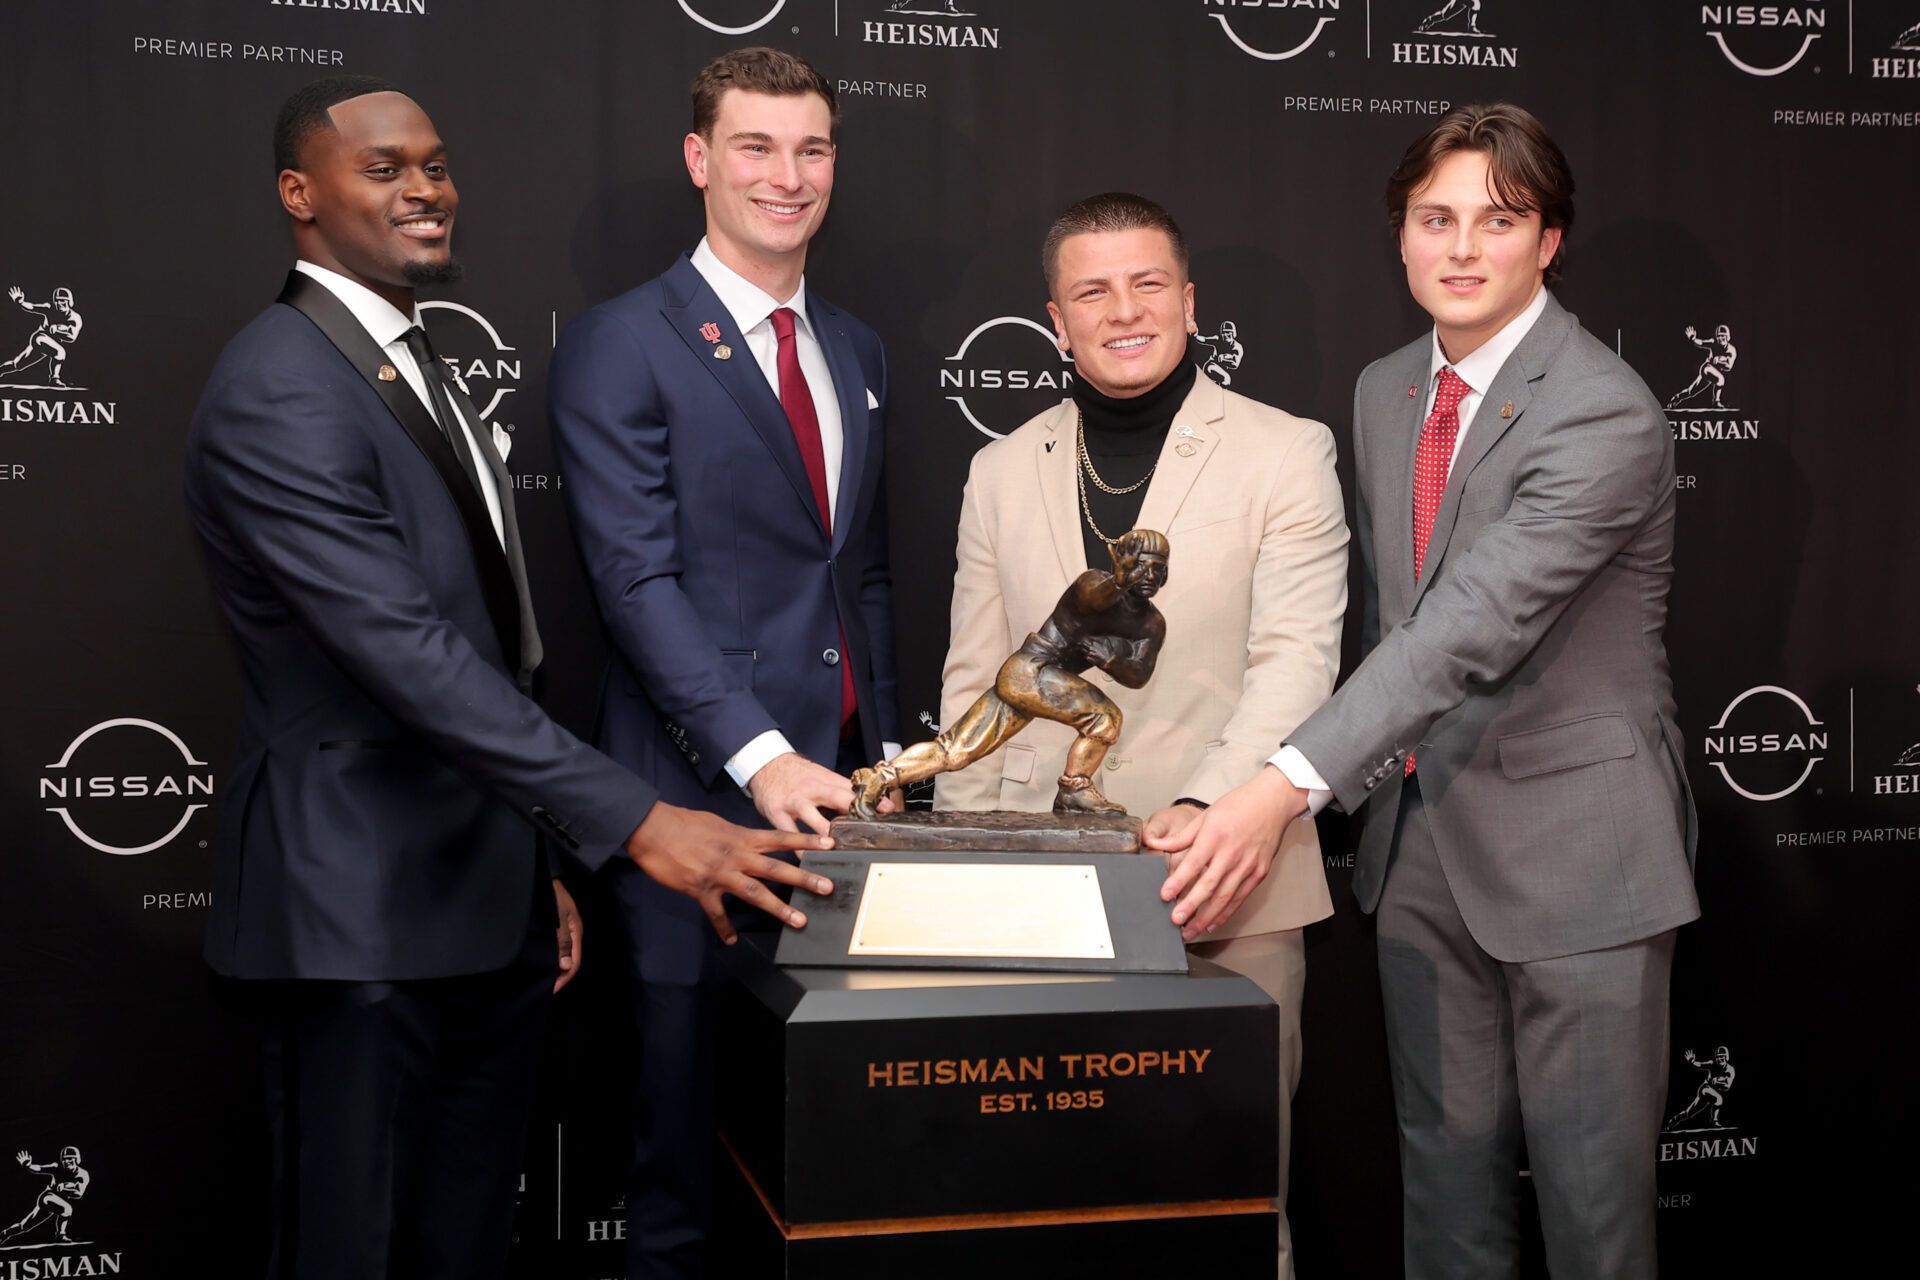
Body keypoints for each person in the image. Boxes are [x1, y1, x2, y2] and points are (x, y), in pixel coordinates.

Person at [183, 74, 831, 1280]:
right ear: (297, 194)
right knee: (353, 1253)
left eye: (433, 163)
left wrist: (535, 866)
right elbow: (406, 660)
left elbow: (487, 650)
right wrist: (638, 821)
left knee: (465, 1247)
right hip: (355, 920)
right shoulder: (279, 383)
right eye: (383, 168)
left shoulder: (407, 359)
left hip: (481, 907)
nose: (424, 188)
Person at [1164, 104, 1699, 1279]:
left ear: (1549, 241)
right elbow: (1394, 623)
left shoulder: (1604, 410)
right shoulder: (1386, 386)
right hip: (1421, 850)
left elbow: (1470, 625)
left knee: (1595, 1219)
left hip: (1578, 862)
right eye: (1434, 218)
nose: (1461, 248)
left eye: (1498, 221)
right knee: (1445, 1200)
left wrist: (1279, 790)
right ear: (1401, 236)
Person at [934, 192, 1348, 1278]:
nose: (1125, 310)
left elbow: (1298, 664)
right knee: (1039, 1208)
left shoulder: (1286, 451)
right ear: (1056, 319)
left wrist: (1214, 814)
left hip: (1231, 886)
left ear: (1189, 300)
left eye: (1147, 283)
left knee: (1227, 1208)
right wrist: (958, 871)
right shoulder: (998, 467)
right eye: (1093, 290)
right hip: (1033, 891)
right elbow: (980, 681)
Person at [549, 48, 901, 1279]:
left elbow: (857, 577)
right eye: (755, 146)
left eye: (811, 149)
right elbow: (634, 582)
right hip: (694, 813)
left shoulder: (853, 348)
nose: (786, 175)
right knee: (680, 1166)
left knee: (828, 1157)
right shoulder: (618, 343)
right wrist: (759, 757)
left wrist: (893, 759)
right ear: (701, 160)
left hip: (843, 819)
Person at [853, 528, 1167, 816]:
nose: (1150, 575)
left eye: (1159, 568)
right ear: (1121, 563)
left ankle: (880, 778)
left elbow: (1139, 674)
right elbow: (1092, 600)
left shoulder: (1151, 624)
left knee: (956, 750)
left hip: (1033, 683)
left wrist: (1112, 660)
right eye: (1142, 565)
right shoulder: (1093, 584)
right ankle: (1074, 788)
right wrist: (1118, 582)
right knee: (1105, 718)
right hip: (1028, 672)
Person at [1, 1148, 88, 1245]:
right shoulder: (57, 1167)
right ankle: (60, 1234)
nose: (66, 1161)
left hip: (56, 1203)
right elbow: (40, 1168)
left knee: (25, 1226)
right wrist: (28, 1165)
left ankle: (4, 1234)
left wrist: (65, 1188)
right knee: (67, 1209)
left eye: (70, 1158)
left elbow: (78, 1194)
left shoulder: (82, 1174)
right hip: (47, 1197)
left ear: (77, 1159)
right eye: (64, 1159)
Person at [0, 286, 83, 387]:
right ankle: (54, 378)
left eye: (63, 300)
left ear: (69, 302)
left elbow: (72, 338)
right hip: (40, 338)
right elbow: (33, 307)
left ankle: (1, 370)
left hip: (51, 343)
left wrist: (58, 331)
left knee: (18, 365)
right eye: (57, 301)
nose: (60, 303)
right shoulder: (50, 308)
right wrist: (20, 302)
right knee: (60, 353)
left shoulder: (75, 318)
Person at [1665, 323, 1737, 409]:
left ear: (1728, 337)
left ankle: (1677, 398)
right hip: (1707, 368)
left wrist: (1720, 360)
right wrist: (1693, 338)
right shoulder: (1714, 343)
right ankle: (1716, 401)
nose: (1720, 338)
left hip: (1714, 373)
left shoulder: (1731, 351)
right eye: (1719, 336)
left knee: (1691, 392)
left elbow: (1728, 367)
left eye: (1723, 336)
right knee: (1721, 380)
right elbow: (1702, 342)